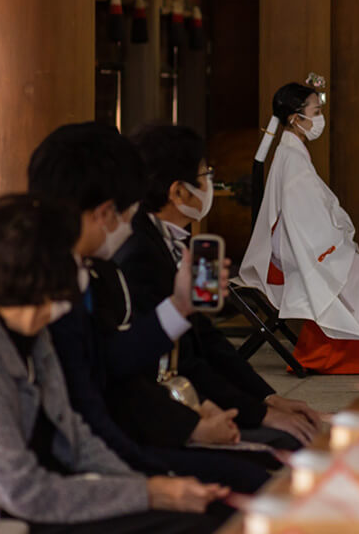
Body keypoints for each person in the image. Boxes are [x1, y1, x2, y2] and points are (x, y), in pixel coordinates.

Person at [0, 194, 227, 533]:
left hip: (55, 494)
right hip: (1, 518)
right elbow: (21, 491)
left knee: (201, 518)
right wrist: (148, 493)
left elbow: (76, 439)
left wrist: (152, 484)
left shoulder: (35, 335)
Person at [30, 122, 272, 493]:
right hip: (79, 472)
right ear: (100, 212)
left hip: (124, 439)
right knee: (252, 480)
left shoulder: (94, 272)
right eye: (124, 212)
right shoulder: (43, 291)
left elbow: (114, 363)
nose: (127, 223)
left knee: (257, 474)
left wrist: (180, 306)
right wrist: (161, 478)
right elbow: (88, 409)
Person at [116, 124, 321, 449]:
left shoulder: (174, 241)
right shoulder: (138, 252)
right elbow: (184, 360)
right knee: (287, 443)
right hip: (169, 411)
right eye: (205, 175)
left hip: (195, 395)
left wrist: (269, 399)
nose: (211, 183)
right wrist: (259, 415)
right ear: (178, 192)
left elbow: (207, 338)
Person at [239, 81, 359, 374]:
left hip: (302, 241)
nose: (319, 118)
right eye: (315, 111)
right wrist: (337, 243)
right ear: (295, 118)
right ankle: (341, 356)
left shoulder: (293, 152)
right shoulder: (291, 158)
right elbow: (304, 219)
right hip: (300, 247)